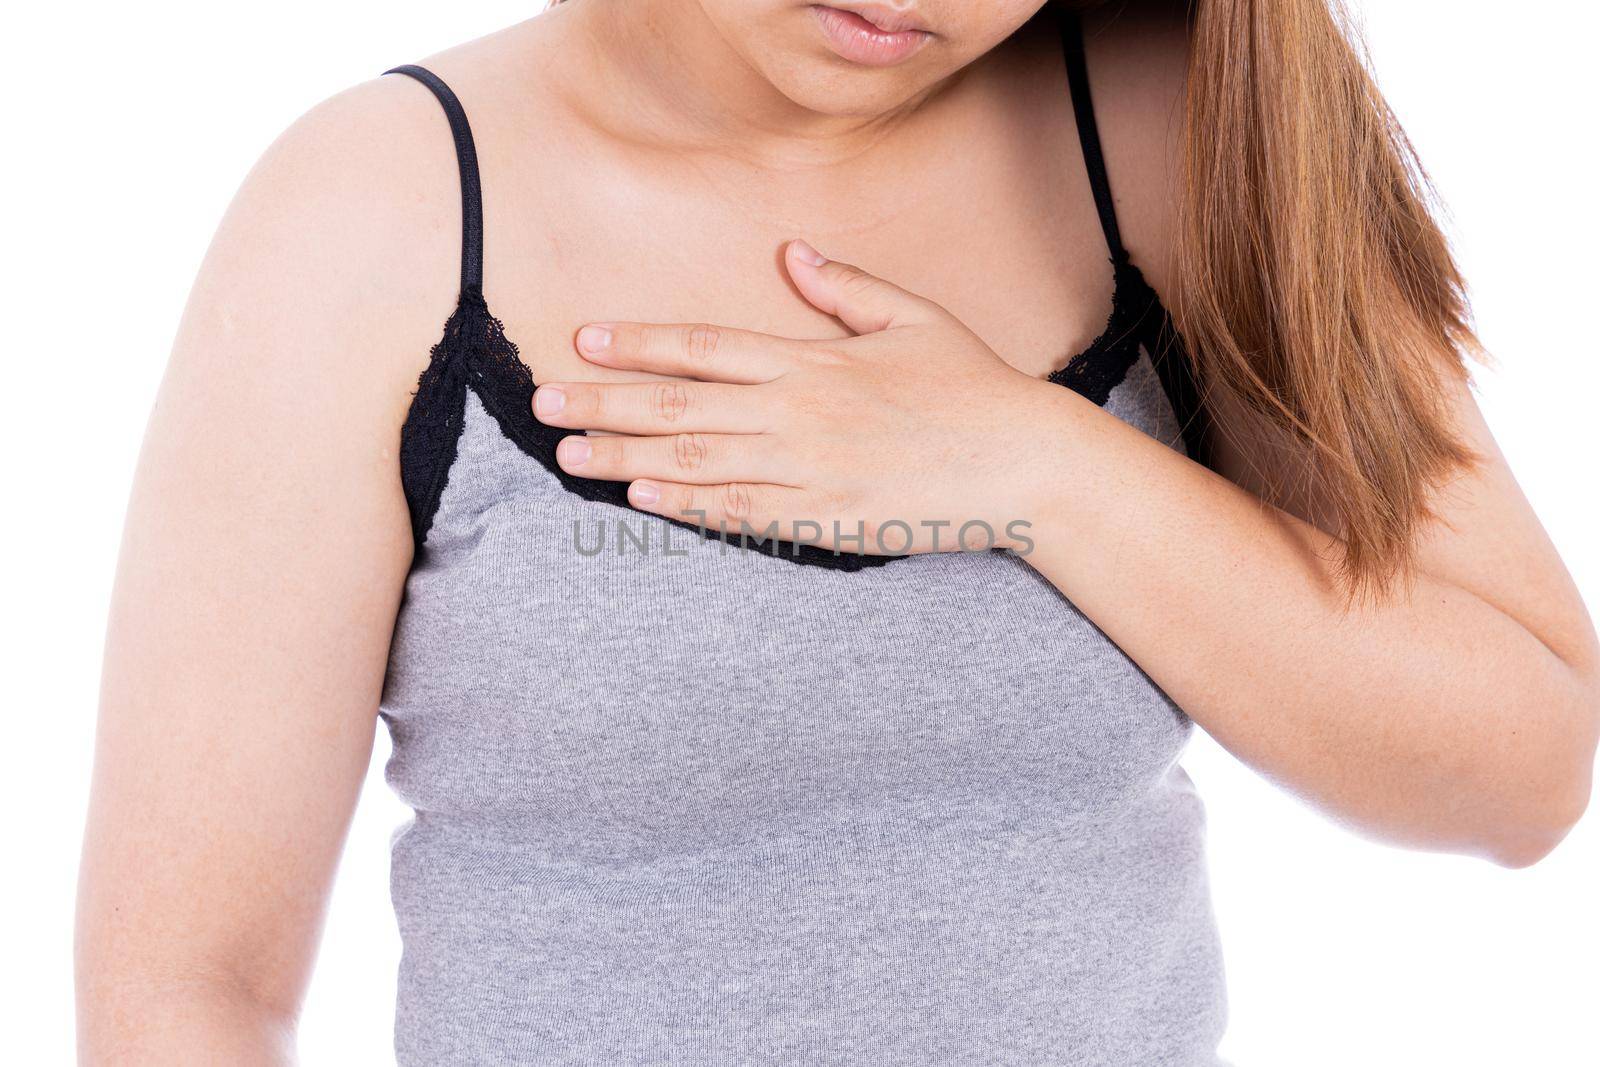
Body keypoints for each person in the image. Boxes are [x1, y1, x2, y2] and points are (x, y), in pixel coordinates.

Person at [76, 0, 1598, 1063]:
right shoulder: (374, 212)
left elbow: (1522, 767)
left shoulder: (1160, 121)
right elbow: (182, 987)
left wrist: (1035, 465)